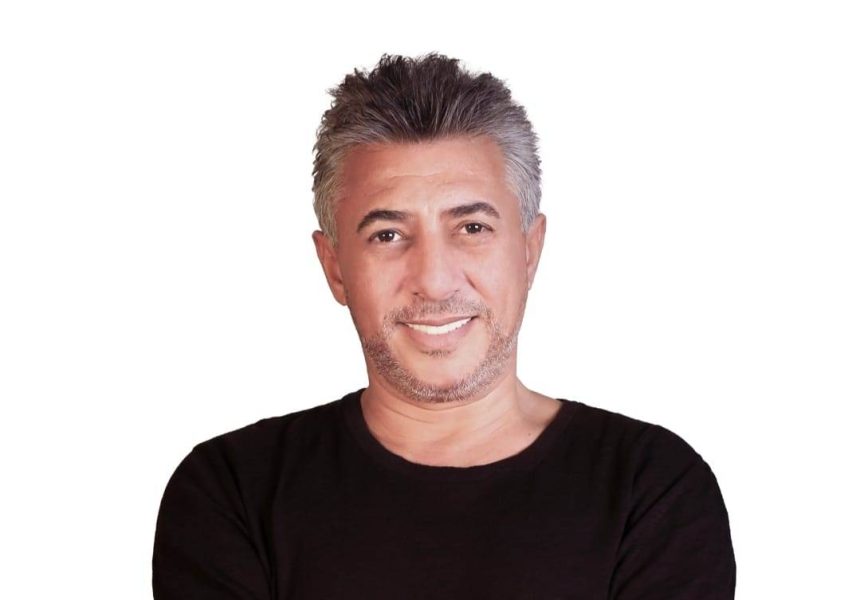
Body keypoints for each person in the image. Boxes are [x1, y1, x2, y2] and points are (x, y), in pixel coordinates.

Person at [152, 53, 735, 599]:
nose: (433, 281)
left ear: (529, 250)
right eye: (387, 235)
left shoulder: (650, 489)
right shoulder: (232, 492)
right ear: (334, 267)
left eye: (472, 228)